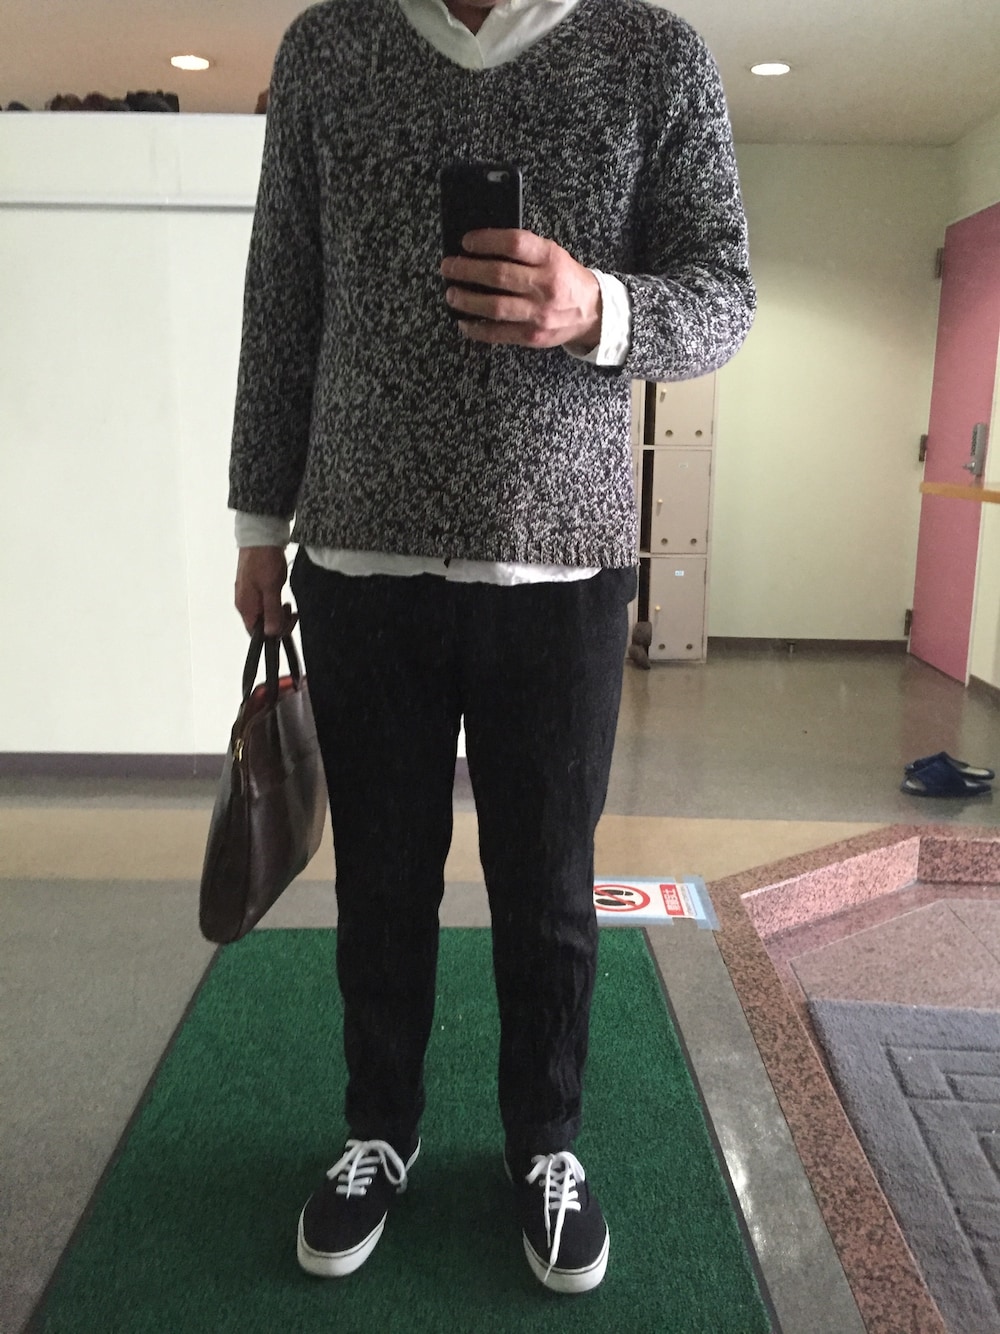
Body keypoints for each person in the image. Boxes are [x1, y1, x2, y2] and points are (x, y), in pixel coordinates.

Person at [229, 0, 754, 1295]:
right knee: (381, 883)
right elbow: (283, 294)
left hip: (561, 567)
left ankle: (545, 1143)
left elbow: (724, 297)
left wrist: (599, 305)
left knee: (549, 891)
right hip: (359, 561)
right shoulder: (328, 47)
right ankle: (379, 1130)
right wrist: (258, 524)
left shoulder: (653, 54)